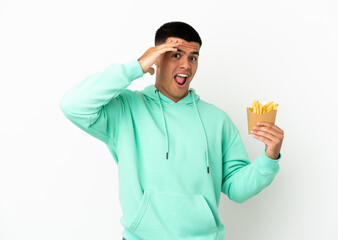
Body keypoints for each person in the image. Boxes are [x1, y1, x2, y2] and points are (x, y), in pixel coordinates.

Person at [60, 21, 284, 240]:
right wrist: (136, 66)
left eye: (193, 57)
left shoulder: (218, 120)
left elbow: (237, 189)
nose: (186, 65)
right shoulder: (126, 110)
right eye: (176, 54)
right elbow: (74, 105)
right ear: (157, 58)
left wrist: (269, 158)